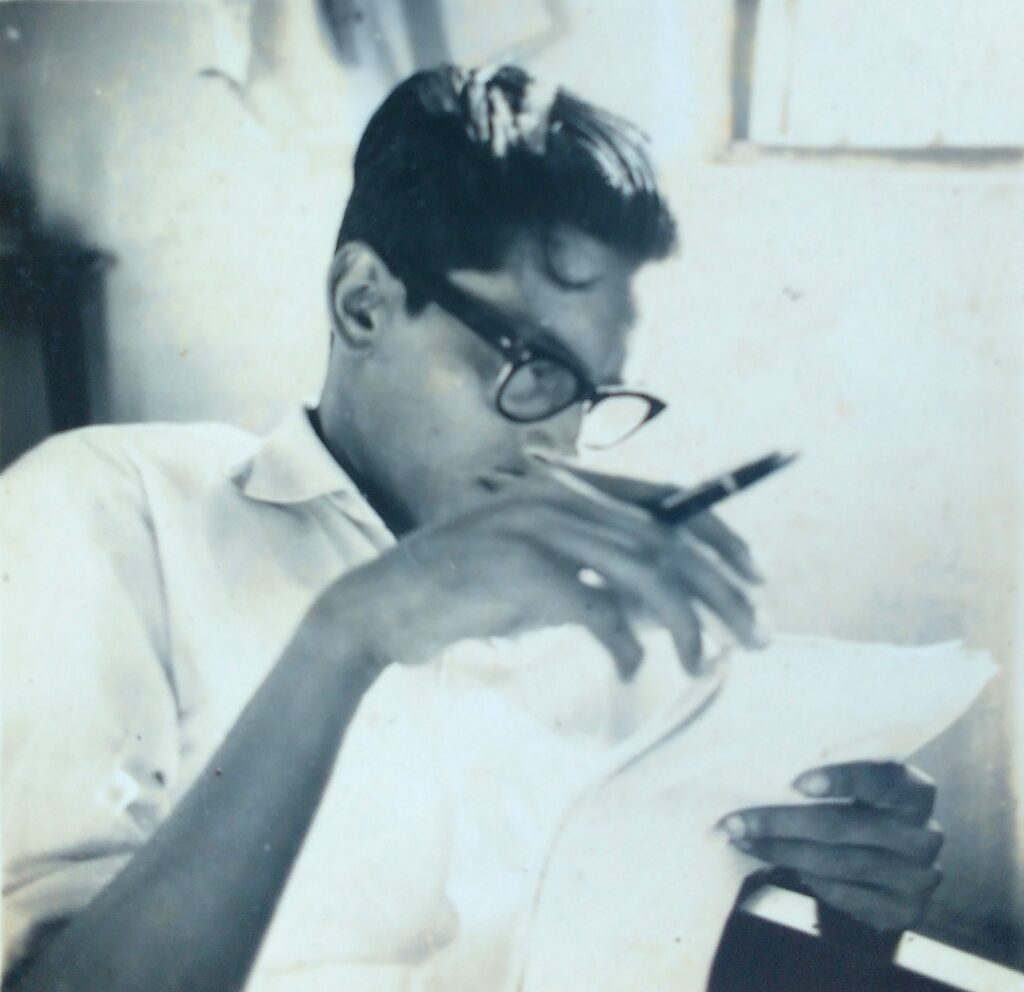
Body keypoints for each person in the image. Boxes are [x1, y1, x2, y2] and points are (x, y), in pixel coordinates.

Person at [1, 65, 943, 992]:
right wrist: (345, 638)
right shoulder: (112, 512)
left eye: (591, 391)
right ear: (363, 302)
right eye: (532, 361)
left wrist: (855, 902)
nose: (559, 437)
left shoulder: (611, 618)